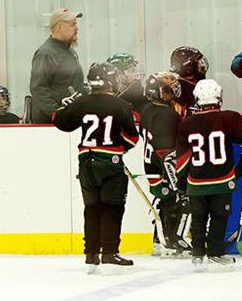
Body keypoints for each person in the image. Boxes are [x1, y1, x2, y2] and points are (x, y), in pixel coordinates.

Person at [53, 62, 139, 273]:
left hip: (86, 163)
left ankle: (91, 254)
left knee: (92, 209)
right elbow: (133, 138)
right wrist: (120, 149)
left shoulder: (82, 102)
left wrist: (65, 106)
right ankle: (109, 253)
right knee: (112, 208)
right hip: (110, 163)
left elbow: (60, 122)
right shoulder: (120, 105)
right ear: (109, 81)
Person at [175, 79, 242, 268]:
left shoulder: (186, 123)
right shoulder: (230, 118)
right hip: (222, 179)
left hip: (196, 181)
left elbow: (182, 159)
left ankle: (197, 252)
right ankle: (215, 252)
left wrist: (181, 182)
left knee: (199, 217)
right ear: (218, 97)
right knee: (219, 217)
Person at [139, 71, 191, 258]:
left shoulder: (147, 110)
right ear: (160, 92)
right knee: (180, 199)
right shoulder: (166, 115)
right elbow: (166, 152)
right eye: (169, 89)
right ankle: (173, 240)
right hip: (162, 167)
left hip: (152, 167)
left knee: (166, 201)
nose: (173, 90)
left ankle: (158, 240)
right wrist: (178, 182)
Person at [29, 8, 85, 123]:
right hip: (52, 123)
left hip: (70, 118)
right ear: (59, 27)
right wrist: (55, 113)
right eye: (72, 25)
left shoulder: (69, 50)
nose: (77, 28)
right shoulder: (46, 54)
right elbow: (38, 89)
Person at [169, 46, 209, 116]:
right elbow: (180, 114)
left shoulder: (200, 81)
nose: (201, 65)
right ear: (187, 67)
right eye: (197, 63)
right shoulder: (179, 87)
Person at [107, 53, 148, 118]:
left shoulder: (139, 99)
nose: (136, 74)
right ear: (118, 74)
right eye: (132, 71)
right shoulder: (109, 98)